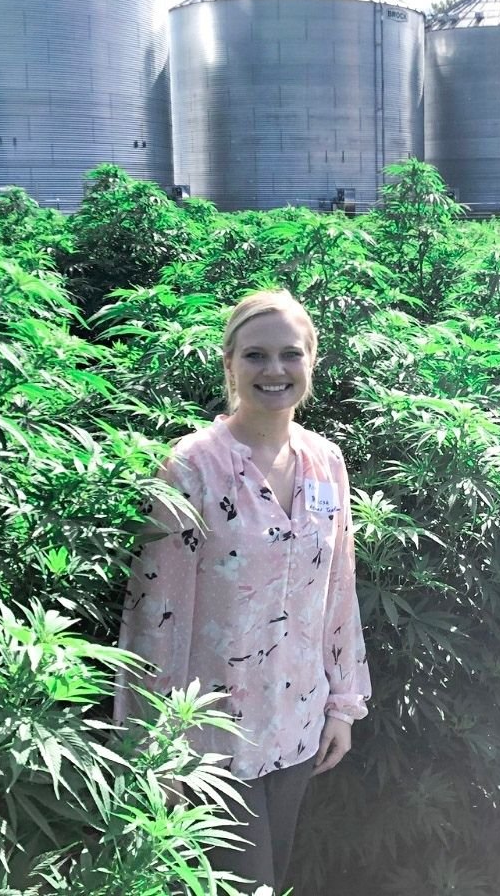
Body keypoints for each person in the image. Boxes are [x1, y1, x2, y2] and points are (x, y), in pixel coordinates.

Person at [115, 290, 371, 894]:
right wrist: (158, 746)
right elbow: (156, 613)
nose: (274, 370)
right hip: (209, 738)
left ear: (312, 361)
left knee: (272, 880)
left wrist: (342, 704)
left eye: (290, 354)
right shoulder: (192, 467)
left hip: (299, 724)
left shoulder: (325, 462)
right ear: (228, 363)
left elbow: (338, 590)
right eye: (256, 355)